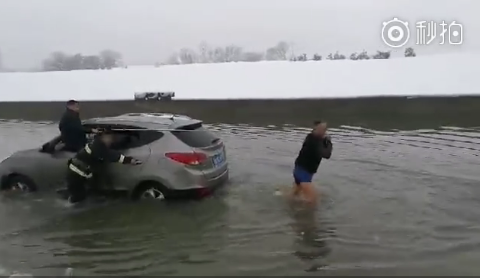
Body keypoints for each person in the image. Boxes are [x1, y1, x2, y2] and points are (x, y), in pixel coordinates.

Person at [66, 129, 142, 204]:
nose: (111, 140)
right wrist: (129, 160)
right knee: (78, 197)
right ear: (103, 137)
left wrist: (127, 139)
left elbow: (114, 147)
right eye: (109, 138)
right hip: (75, 173)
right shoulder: (98, 146)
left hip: (81, 172)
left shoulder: (99, 143)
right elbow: (111, 155)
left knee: (83, 195)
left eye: (112, 138)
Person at [292, 120, 333, 204]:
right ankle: (306, 215)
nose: (324, 131)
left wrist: (325, 141)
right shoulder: (313, 140)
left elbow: (322, 149)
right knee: (313, 201)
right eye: (321, 129)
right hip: (303, 172)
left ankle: (290, 206)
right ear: (315, 128)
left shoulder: (314, 138)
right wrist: (329, 143)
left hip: (301, 169)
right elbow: (326, 155)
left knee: (295, 196)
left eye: (325, 129)